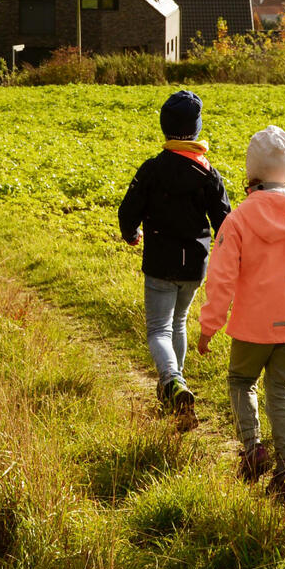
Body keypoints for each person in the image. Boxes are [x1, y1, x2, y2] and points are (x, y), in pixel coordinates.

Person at [197, 125, 285, 500]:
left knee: (240, 381)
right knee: (282, 390)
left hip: (253, 323)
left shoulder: (236, 220)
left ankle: (252, 449)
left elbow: (221, 278)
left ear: (251, 173)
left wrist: (209, 326)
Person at [118, 90, 233, 413]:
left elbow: (128, 211)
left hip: (160, 262)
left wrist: (131, 234)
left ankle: (172, 381)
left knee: (158, 329)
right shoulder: (209, 174)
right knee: (179, 322)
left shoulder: (152, 169)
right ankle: (175, 390)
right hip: (195, 265)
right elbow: (225, 222)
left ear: (164, 128)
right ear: (196, 129)